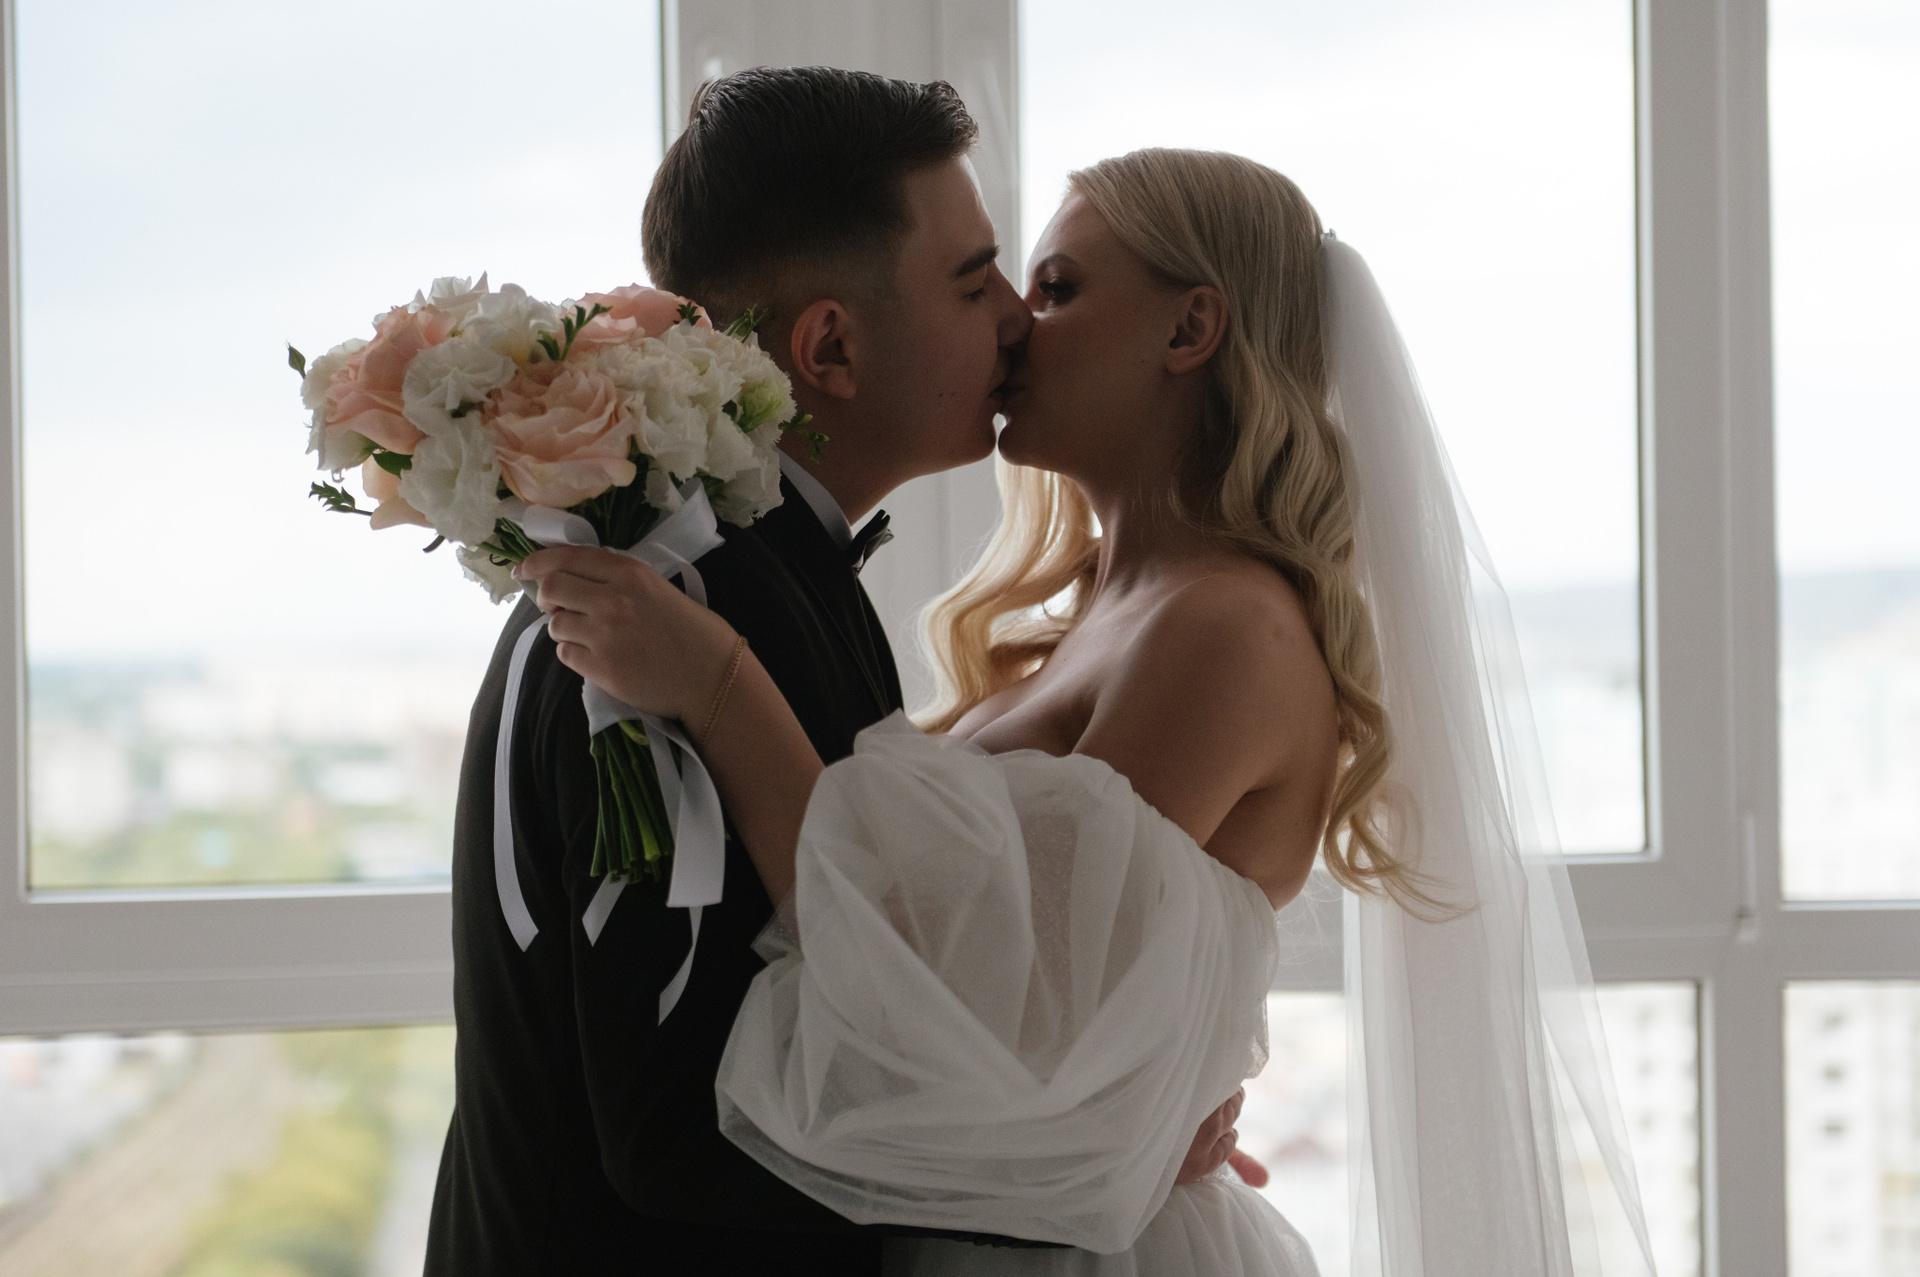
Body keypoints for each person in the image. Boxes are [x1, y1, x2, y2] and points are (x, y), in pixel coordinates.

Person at [521, 147, 1657, 1276]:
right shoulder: (1109, 615)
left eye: (1058, 288)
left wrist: (720, 686)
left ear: (1188, 328)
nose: (1015, 322)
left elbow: (988, 997)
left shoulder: (1227, 628)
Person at [425, 71, 1249, 1277]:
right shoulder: (679, 603)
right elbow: (679, 1119)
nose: (1015, 319)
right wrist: (1084, 1160)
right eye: (974, 280)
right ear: (831, 347)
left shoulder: (754, 576)